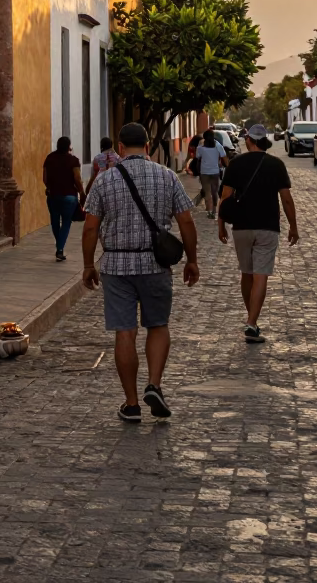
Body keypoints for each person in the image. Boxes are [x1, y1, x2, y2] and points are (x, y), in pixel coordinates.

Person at [82, 122, 199, 423]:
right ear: (148, 146)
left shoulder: (105, 180)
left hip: (117, 266)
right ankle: (155, 385)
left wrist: (87, 265)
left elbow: (91, 227)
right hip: (155, 265)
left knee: (125, 331)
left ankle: (131, 404)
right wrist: (192, 260)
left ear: (120, 148)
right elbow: (186, 222)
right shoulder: (167, 176)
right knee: (158, 325)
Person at [218, 123, 299, 343]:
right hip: (268, 227)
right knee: (260, 274)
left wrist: (220, 225)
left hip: (241, 227)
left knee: (246, 273)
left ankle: (251, 318)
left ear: (249, 140)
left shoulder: (235, 164)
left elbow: (225, 198)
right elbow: (287, 199)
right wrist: (293, 226)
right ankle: (252, 322)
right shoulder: (276, 165)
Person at [42, 136, 87, 261]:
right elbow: (77, 178)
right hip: (69, 197)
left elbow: (45, 179)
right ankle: (60, 249)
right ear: (69, 146)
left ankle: (59, 246)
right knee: (66, 222)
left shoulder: (49, 158)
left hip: (53, 196)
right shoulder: (73, 160)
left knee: (55, 222)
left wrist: (50, 187)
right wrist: (81, 192)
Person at [195, 128, 226, 218]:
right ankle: (214, 210)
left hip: (204, 172)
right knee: (214, 192)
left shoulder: (201, 147)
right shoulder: (218, 145)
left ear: (204, 138)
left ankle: (209, 211)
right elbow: (224, 156)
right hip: (215, 172)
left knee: (207, 192)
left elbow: (197, 157)